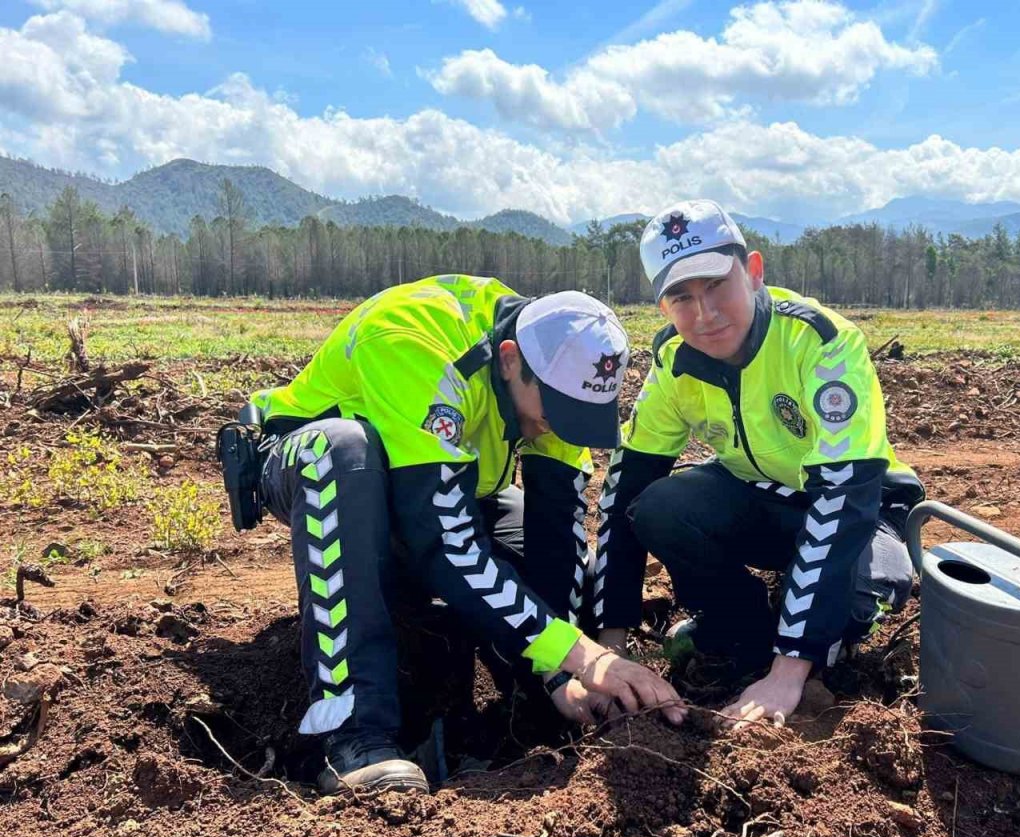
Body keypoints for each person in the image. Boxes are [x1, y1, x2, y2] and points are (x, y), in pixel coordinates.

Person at [245, 274, 685, 793]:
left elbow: (558, 533)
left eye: (580, 418)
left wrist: (560, 676)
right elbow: (443, 541)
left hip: (448, 484)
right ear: (509, 358)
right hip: (317, 467)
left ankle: (525, 705)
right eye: (557, 413)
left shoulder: (556, 384)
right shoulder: (414, 339)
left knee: (530, 549)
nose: (560, 428)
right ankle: (355, 734)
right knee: (343, 450)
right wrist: (588, 656)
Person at [592, 201, 924, 729]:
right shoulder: (674, 360)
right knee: (656, 507)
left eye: (716, 286)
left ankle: (803, 645)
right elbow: (624, 485)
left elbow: (842, 500)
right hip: (759, 499)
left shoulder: (818, 341)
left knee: (863, 594)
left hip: (859, 509)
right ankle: (739, 629)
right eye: (682, 297)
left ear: (752, 271)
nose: (704, 314)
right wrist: (610, 645)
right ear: (662, 307)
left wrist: (789, 673)